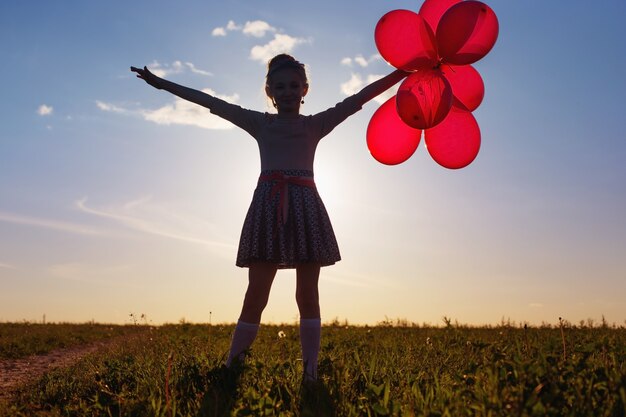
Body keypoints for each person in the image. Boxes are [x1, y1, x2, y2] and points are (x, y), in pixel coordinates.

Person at [131, 54, 407, 381]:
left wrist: (403, 71)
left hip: (306, 207)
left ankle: (310, 373)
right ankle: (233, 367)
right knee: (256, 294)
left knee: (308, 294)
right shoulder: (260, 124)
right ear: (270, 91)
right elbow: (209, 101)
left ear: (304, 89)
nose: (288, 91)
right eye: (280, 86)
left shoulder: (315, 124)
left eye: (294, 85)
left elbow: (360, 98)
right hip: (268, 206)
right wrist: (161, 83)